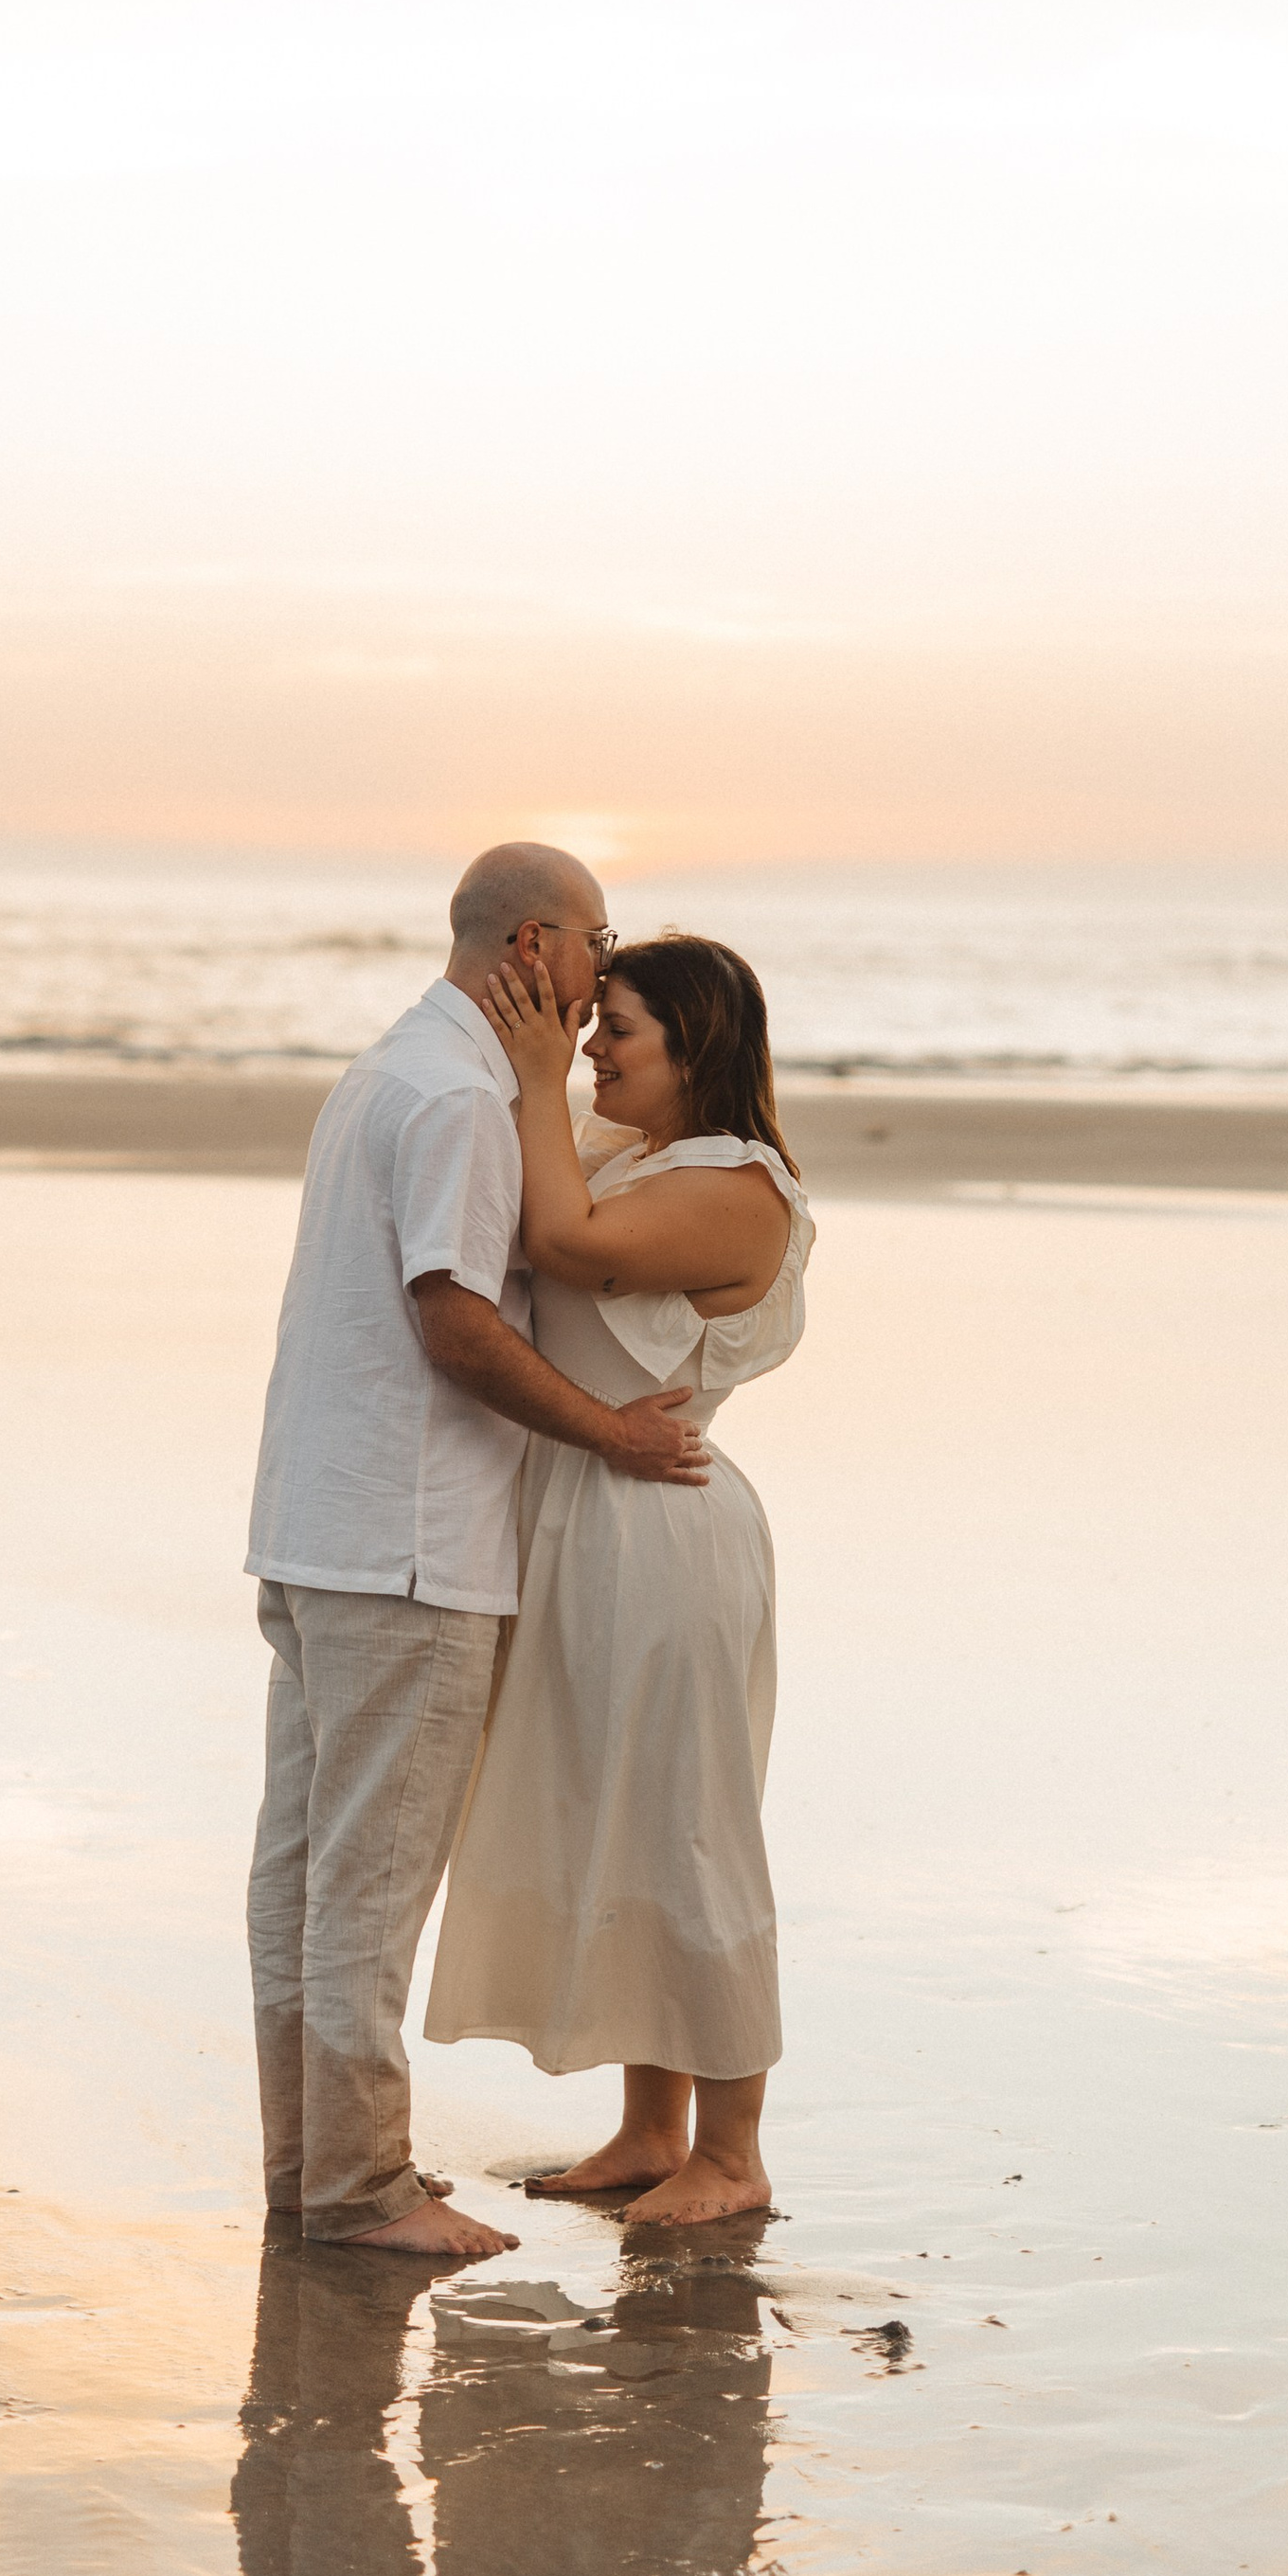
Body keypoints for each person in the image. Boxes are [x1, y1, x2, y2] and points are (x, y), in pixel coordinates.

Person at [243, 842, 714, 2258]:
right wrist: (611, 1434)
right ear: (531, 945)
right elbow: (455, 1323)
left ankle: (310, 2170)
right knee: (368, 1885)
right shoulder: (458, 1098)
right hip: (409, 1544)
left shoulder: (390, 1069)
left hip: (319, 1527)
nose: (599, 971)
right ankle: (362, 2189)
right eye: (594, 942)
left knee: (305, 1878)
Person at [424, 932, 813, 2226]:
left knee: (690, 1830)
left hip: (662, 1523)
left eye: (619, 1029)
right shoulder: (633, 1153)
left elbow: (565, 1243)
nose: (593, 1048)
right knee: (618, 1812)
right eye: (592, 1028)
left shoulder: (735, 1186)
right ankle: (653, 2131)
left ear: (693, 1044)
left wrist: (540, 1074)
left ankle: (733, 2155)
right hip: (584, 1512)